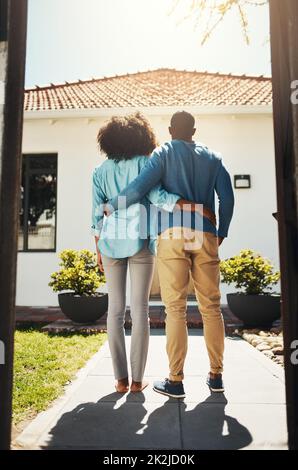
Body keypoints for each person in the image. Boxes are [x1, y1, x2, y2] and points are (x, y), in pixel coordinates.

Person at [105, 111, 235, 398]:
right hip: (205, 234)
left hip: (172, 234)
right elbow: (227, 197)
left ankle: (176, 381)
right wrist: (221, 231)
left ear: (170, 130)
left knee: (175, 308)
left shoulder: (162, 153)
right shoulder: (213, 157)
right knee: (211, 307)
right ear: (194, 131)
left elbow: (139, 189)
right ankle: (216, 376)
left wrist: (113, 205)